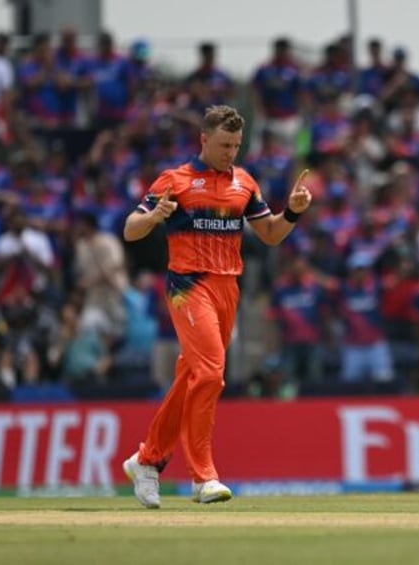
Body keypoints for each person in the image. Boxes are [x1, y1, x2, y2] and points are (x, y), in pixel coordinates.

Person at [120, 105, 312, 509]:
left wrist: (293, 210)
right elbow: (130, 229)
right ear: (204, 140)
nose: (231, 152)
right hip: (188, 286)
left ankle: (148, 461)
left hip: (228, 288)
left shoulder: (244, 183)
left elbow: (272, 234)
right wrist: (155, 215)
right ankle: (203, 477)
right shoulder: (176, 180)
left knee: (192, 376)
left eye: (237, 145)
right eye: (224, 144)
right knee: (210, 372)